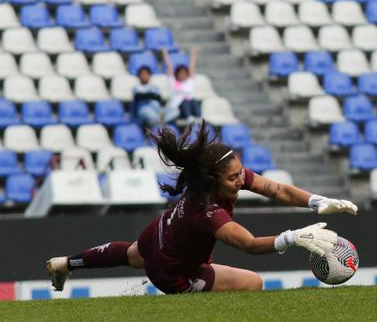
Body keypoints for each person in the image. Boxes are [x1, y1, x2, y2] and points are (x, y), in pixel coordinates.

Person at [45, 121, 358, 294]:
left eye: (241, 173)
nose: (242, 180)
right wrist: (293, 237)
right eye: (234, 178)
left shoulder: (216, 180)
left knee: (131, 256)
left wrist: (318, 201)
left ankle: (66, 263)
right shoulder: (208, 212)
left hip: (157, 234)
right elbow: (248, 245)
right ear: (214, 179)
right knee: (253, 284)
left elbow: (277, 189)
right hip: (172, 273)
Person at [163, 48, 201, 125]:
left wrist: (193, 57)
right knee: (184, 101)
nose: (182, 75)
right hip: (179, 109)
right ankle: (189, 117)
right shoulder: (173, 82)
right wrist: (165, 54)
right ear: (176, 74)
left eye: (184, 73)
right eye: (180, 73)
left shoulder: (189, 82)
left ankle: (198, 117)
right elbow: (169, 67)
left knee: (193, 101)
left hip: (190, 105)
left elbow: (192, 67)